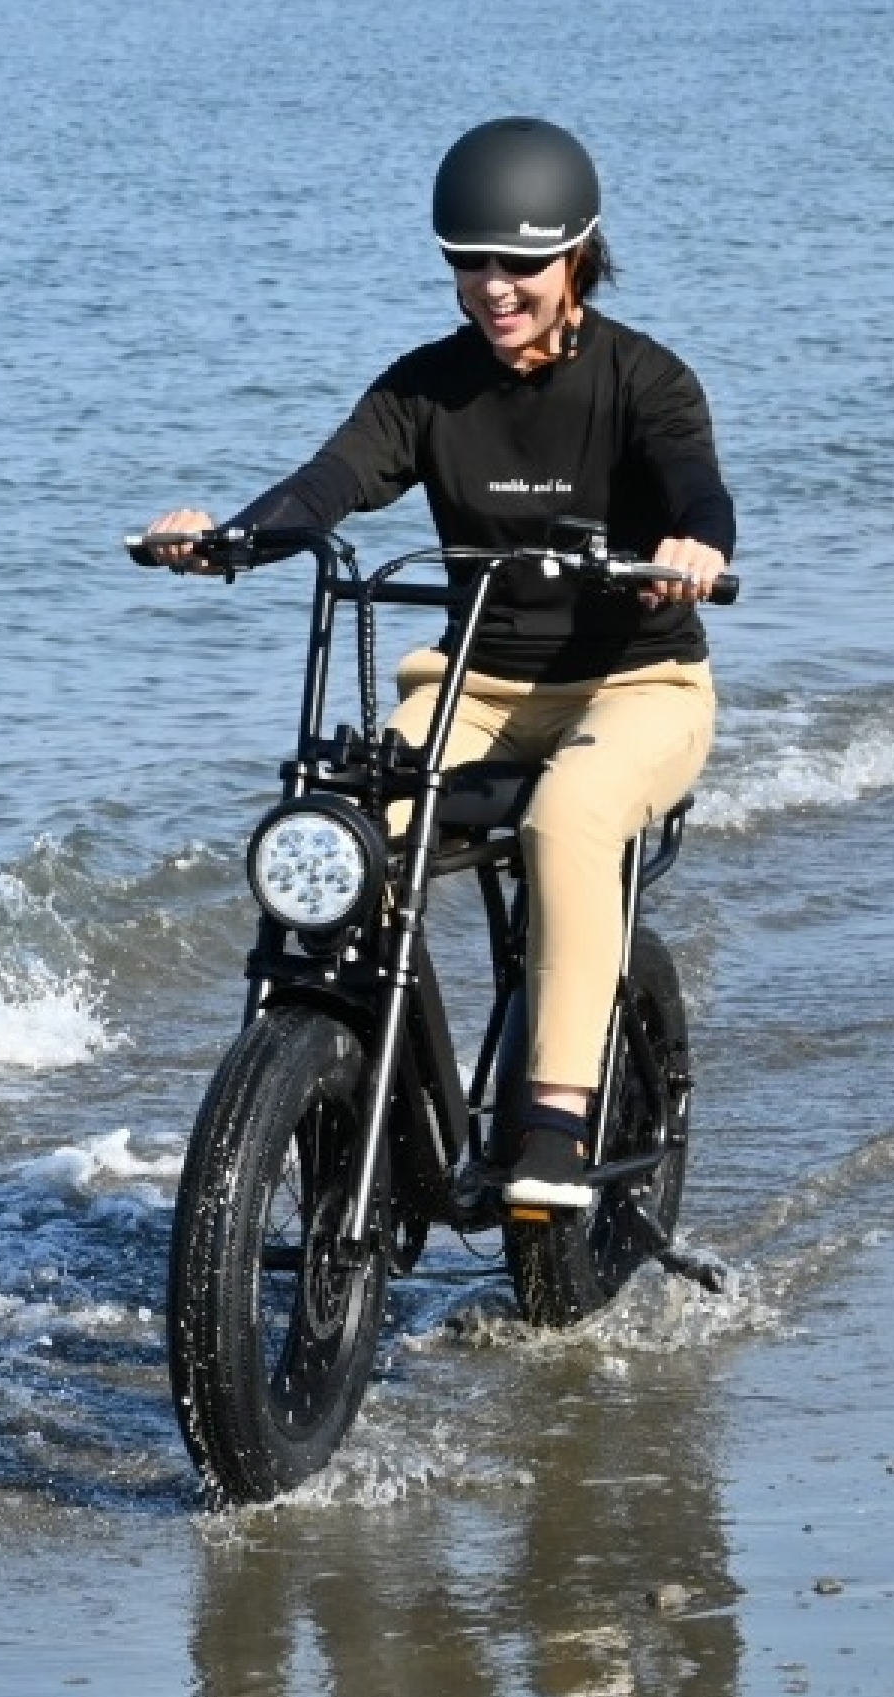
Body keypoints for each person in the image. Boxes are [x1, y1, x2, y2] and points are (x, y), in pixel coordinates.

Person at [142, 117, 733, 1209]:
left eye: (521, 264)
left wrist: (694, 549)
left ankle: (555, 1113)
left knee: (572, 814)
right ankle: (336, 1069)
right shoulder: (426, 387)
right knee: (342, 820)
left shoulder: (647, 380)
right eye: (472, 264)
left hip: (639, 687)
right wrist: (229, 541)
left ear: (579, 255)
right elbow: (327, 485)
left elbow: (694, 485)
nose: (495, 289)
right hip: (473, 686)